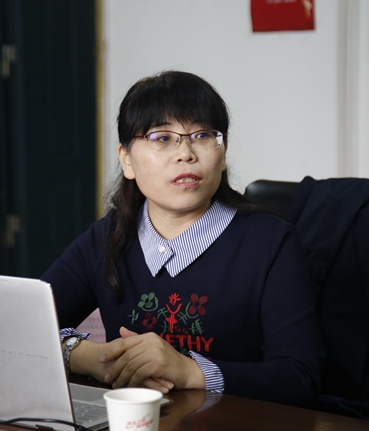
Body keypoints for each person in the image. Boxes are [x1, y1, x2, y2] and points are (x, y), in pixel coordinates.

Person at [41, 70, 322, 407]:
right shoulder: (107, 237)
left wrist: (190, 372)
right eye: (162, 138)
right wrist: (95, 359)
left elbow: (301, 378)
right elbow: (23, 328)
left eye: (202, 135)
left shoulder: (271, 243)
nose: (186, 153)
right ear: (127, 160)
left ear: (222, 154)